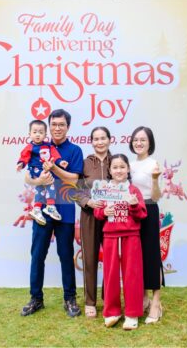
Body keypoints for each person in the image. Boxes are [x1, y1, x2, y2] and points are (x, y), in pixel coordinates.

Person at [21, 109, 84, 318]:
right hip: (41, 211)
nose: (57, 128)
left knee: (66, 255)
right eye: (54, 124)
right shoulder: (38, 147)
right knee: (37, 254)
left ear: (68, 127)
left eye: (61, 125)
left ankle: (70, 298)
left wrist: (54, 168)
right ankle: (36, 298)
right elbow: (27, 177)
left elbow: (74, 179)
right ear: (49, 127)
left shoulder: (74, 150)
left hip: (64, 209)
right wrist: (37, 180)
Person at [94, 154, 147, 330]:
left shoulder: (133, 191)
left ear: (128, 169)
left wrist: (134, 205)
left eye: (122, 167)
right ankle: (112, 312)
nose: (119, 170)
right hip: (110, 237)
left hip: (131, 237)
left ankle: (132, 314)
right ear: (109, 170)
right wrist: (104, 212)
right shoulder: (104, 190)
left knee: (132, 275)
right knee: (110, 275)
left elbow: (142, 214)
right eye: (115, 167)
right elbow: (97, 212)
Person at [129, 126, 164, 324]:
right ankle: (143, 298)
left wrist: (155, 180)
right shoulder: (129, 165)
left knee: (152, 255)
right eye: (136, 139)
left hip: (149, 210)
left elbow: (156, 196)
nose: (139, 143)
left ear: (150, 143)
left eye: (143, 140)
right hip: (133, 212)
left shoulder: (153, 165)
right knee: (137, 256)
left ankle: (156, 302)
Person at [76, 126, 111, 318]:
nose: (100, 142)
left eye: (103, 138)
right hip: (89, 215)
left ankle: (108, 298)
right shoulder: (84, 163)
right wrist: (88, 201)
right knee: (89, 259)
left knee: (111, 259)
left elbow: (125, 185)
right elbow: (76, 190)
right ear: (91, 142)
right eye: (96, 139)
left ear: (109, 140)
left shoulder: (117, 161)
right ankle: (90, 302)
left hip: (111, 217)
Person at [16, 119, 68, 225]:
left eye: (40, 132)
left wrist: (60, 162)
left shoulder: (49, 146)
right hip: (35, 171)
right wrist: (21, 164)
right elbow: (24, 156)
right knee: (41, 188)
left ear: (45, 135)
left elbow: (54, 155)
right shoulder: (30, 147)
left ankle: (46, 207)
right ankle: (41, 208)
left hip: (46, 170)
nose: (37, 135)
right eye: (35, 132)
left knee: (48, 188)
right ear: (29, 134)